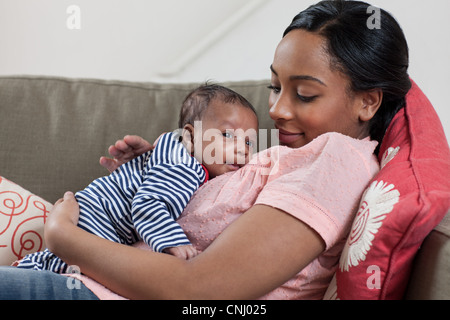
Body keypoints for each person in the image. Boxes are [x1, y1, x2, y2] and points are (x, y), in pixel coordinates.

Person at [0, 0, 412, 300]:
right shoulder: (286, 153)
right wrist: (159, 160)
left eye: (304, 94)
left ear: (368, 102)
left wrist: (62, 237)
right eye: (274, 87)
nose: (277, 110)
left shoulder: (336, 159)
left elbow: (198, 289)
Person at [15, 84, 259, 273]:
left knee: (58, 265)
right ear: (191, 138)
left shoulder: (181, 157)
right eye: (228, 135)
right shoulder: (183, 167)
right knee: (63, 268)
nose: (243, 149)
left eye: (249, 141)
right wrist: (174, 244)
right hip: (101, 219)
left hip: (96, 215)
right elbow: (147, 205)